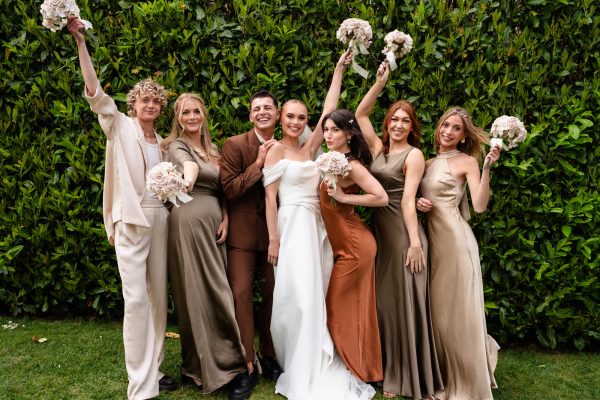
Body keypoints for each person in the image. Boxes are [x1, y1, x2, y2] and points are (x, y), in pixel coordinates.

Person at [67, 16, 176, 400]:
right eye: (144, 99)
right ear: (133, 104)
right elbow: (95, 91)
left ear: (160, 108)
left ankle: (157, 368)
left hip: (160, 218)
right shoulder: (119, 125)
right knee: (135, 299)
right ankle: (140, 384)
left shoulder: (161, 141)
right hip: (130, 219)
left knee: (157, 296)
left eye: (155, 100)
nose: (150, 104)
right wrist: (81, 43)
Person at [262, 51, 374, 399]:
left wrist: (339, 71)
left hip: (317, 227)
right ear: (281, 118)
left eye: (302, 118)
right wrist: (274, 240)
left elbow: (329, 111)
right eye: (291, 117)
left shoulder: (310, 149)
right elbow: (270, 198)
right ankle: (297, 357)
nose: (297, 122)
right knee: (296, 296)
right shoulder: (276, 151)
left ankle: (322, 354)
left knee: (317, 293)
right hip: (292, 226)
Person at [355, 62, 443, 399]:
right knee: (386, 305)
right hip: (380, 234)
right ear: (388, 122)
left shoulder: (415, 154)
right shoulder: (379, 149)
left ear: (412, 126)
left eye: (406, 120)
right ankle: (390, 369)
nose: (399, 124)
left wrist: (416, 243)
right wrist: (380, 83)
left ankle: (412, 376)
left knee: (406, 302)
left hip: (403, 234)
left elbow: (408, 201)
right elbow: (362, 115)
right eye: (394, 118)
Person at [162, 93, 254, 399]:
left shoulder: (214, 150)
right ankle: (206, 366)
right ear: (178, 118)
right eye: (185, 112)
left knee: (218, 289)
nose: (191, 116)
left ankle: (231, 363)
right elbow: (187, 167)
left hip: (215, 225)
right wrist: (187, 182)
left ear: (203, 114)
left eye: (196, 111)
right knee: (194, 293)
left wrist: (226, 218)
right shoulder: (177, 146)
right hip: (187, 223)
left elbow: (223, 190)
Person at [417, 107, 501, 400]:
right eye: (445, 125)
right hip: (433, 243)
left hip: (457, 243)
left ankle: (465, 380)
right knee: (438, 313)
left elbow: (478, 206)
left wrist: (488, 167)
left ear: (464, 136)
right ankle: (440, 374)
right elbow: (416, 197)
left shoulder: (467, 161)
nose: (448, 132)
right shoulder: (425, 163)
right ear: (438, 128)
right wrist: (418, 203)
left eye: (456, 128)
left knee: (459, 313)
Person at [319, 109, 388, 383]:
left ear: (349, 134)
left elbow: (381, 197)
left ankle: (359, 367)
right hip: (343, 245)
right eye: (326, 130)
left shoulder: (352, 165)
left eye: (334, 130)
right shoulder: (331, 161)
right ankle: (363, 366)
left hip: (356, 246)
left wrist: (345, 200)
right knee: (355, 306)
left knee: (336, 307)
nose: (328, 135)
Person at [219, 90, 283, 382]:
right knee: (241, 293)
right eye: (256, 108)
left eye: (268, 108)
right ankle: (246, 359)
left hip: (276, 234)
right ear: (250, 115)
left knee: (275, 292)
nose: (262, 112)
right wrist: (257, 164)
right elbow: (230, 190)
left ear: (278, 114)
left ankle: (269, 354)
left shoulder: (287, 146)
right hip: (242, 237)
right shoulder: (233, 145)